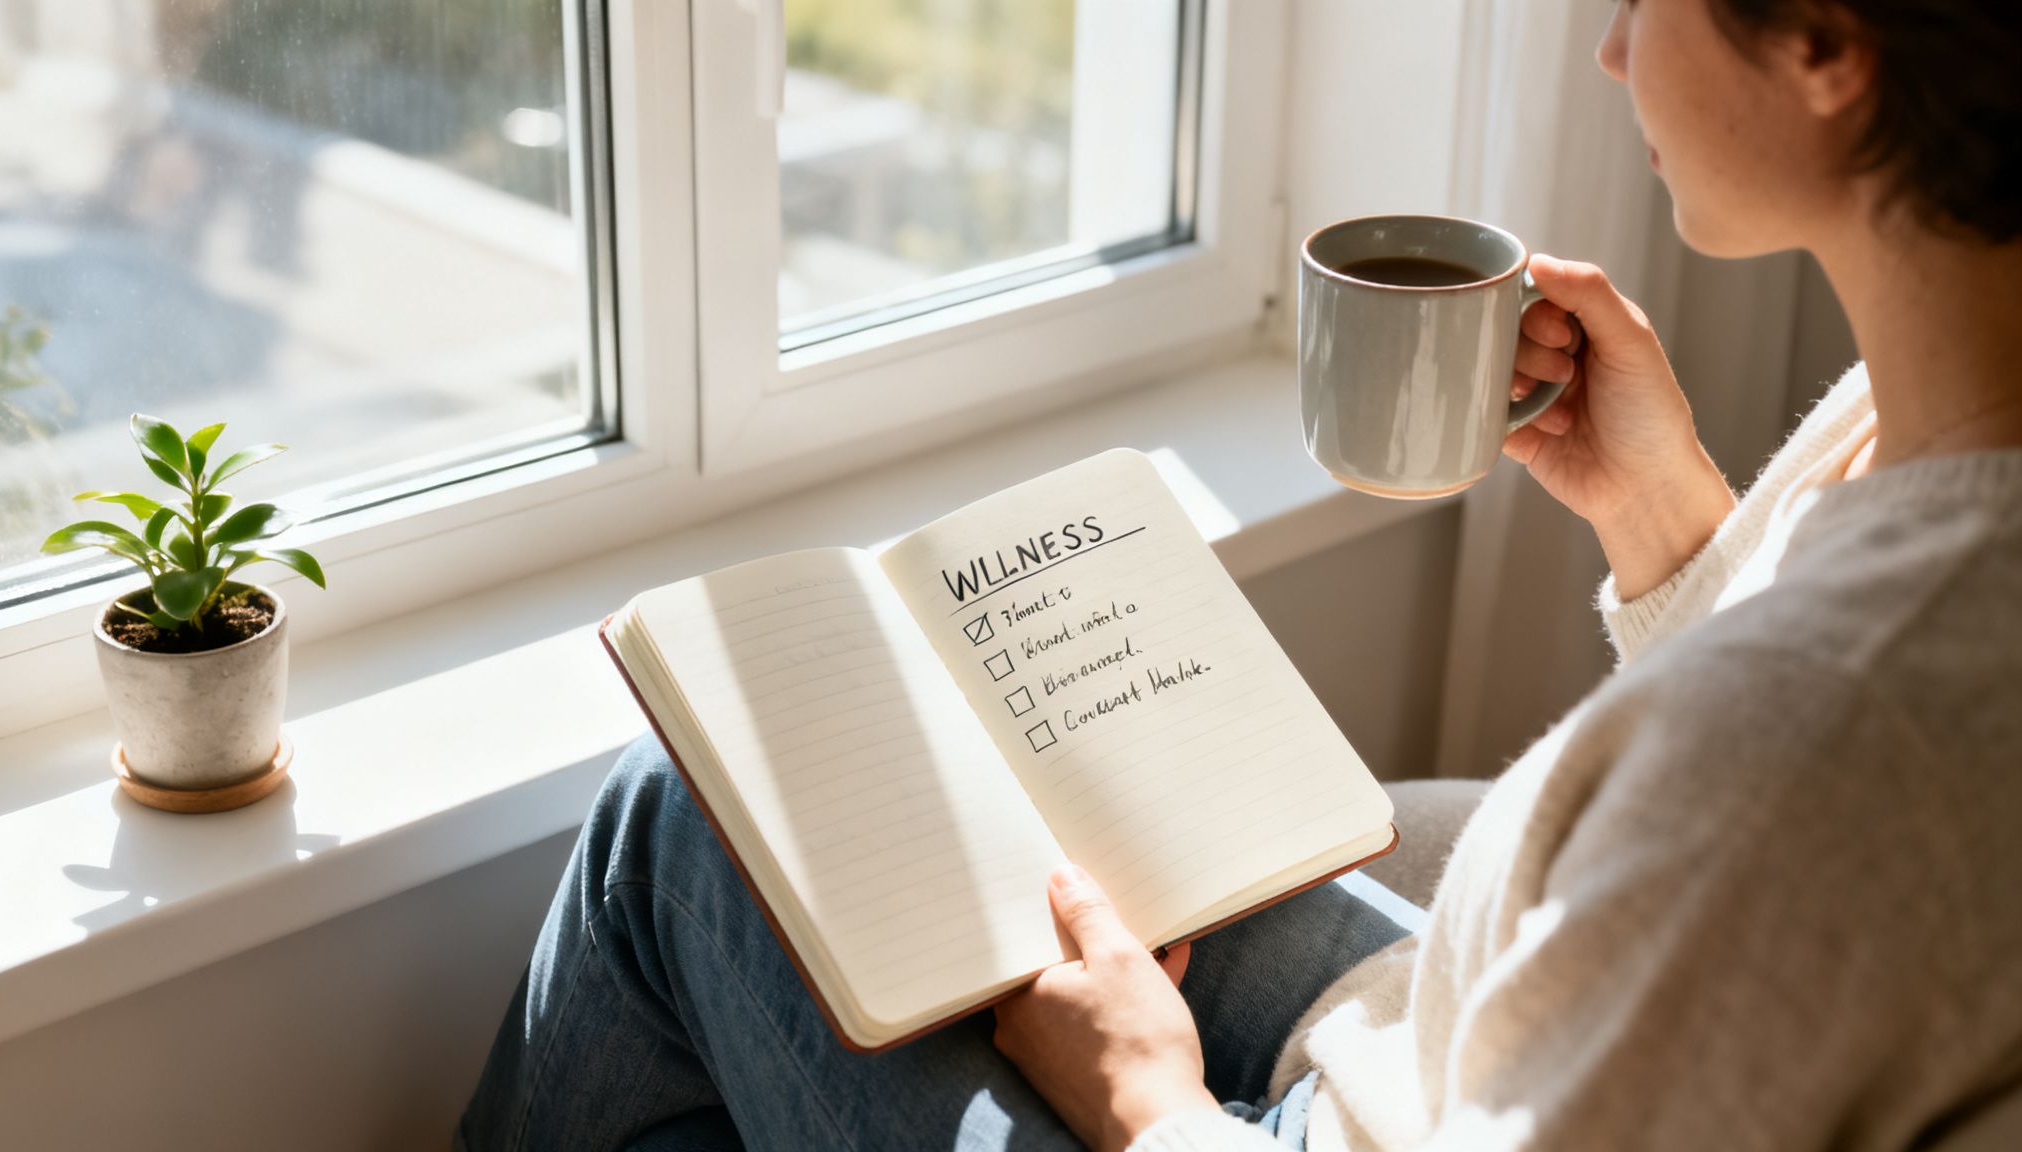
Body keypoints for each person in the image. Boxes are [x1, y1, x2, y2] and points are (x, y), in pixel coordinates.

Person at [458, 0, 2022, 1147]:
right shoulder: (1945, 418)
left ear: (1826, 39)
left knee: (681, 825)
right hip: (1432, 1049)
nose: (1613, 52)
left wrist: (1144, 1100)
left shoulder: (1840, 727)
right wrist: (1670, 519)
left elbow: (1795, 784)